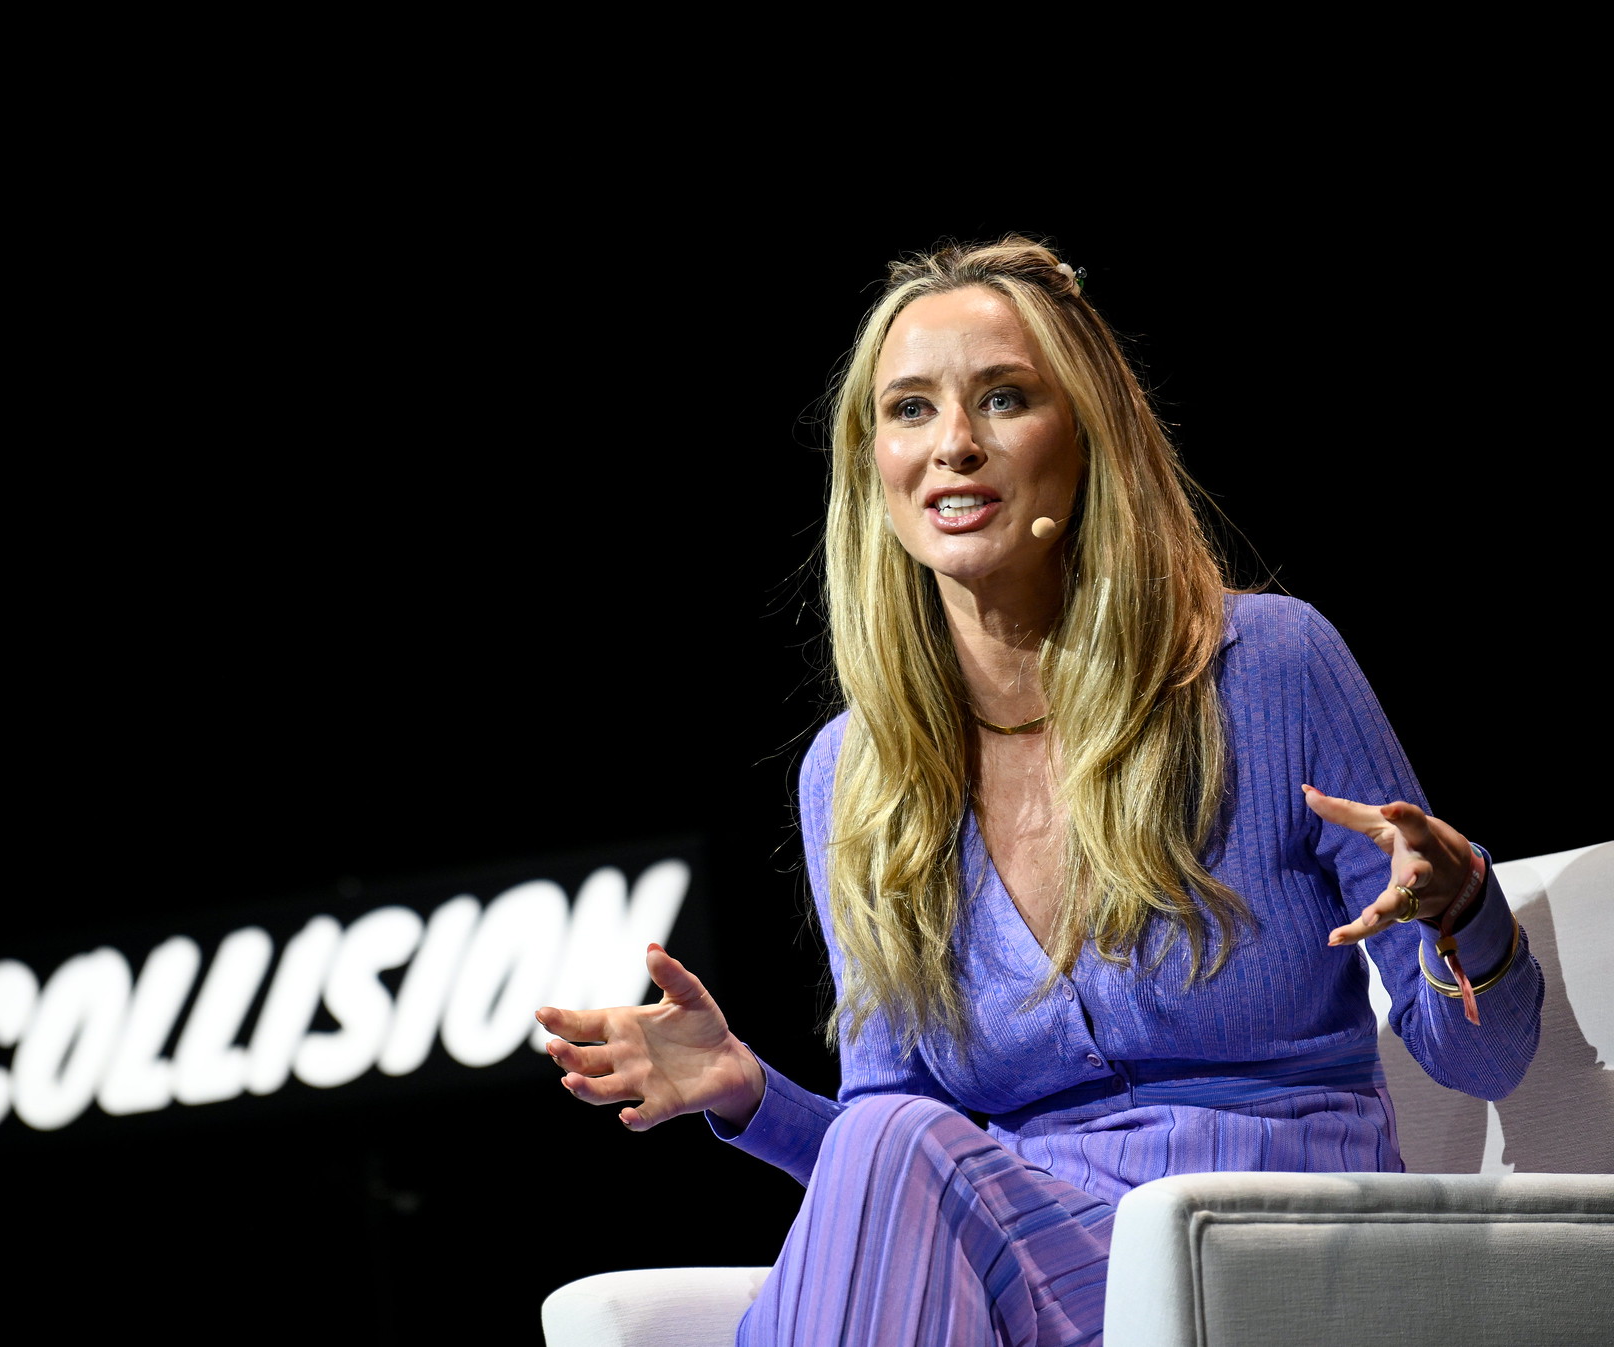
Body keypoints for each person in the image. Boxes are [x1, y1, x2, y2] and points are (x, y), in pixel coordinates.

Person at [535, 238, 1544, 1345]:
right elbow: (883, 1173)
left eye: (1002, 399)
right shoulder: (854, 776)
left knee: (899, 1146)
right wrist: (745, 1092)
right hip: (1037, 1260)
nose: (952, 446)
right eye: (908, 411)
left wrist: (1456, 909)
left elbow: (1485, 1060)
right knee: (893, 1142)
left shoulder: (1267, 668)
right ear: (869, 465)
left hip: (1264, 1244)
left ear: (1084, 439)